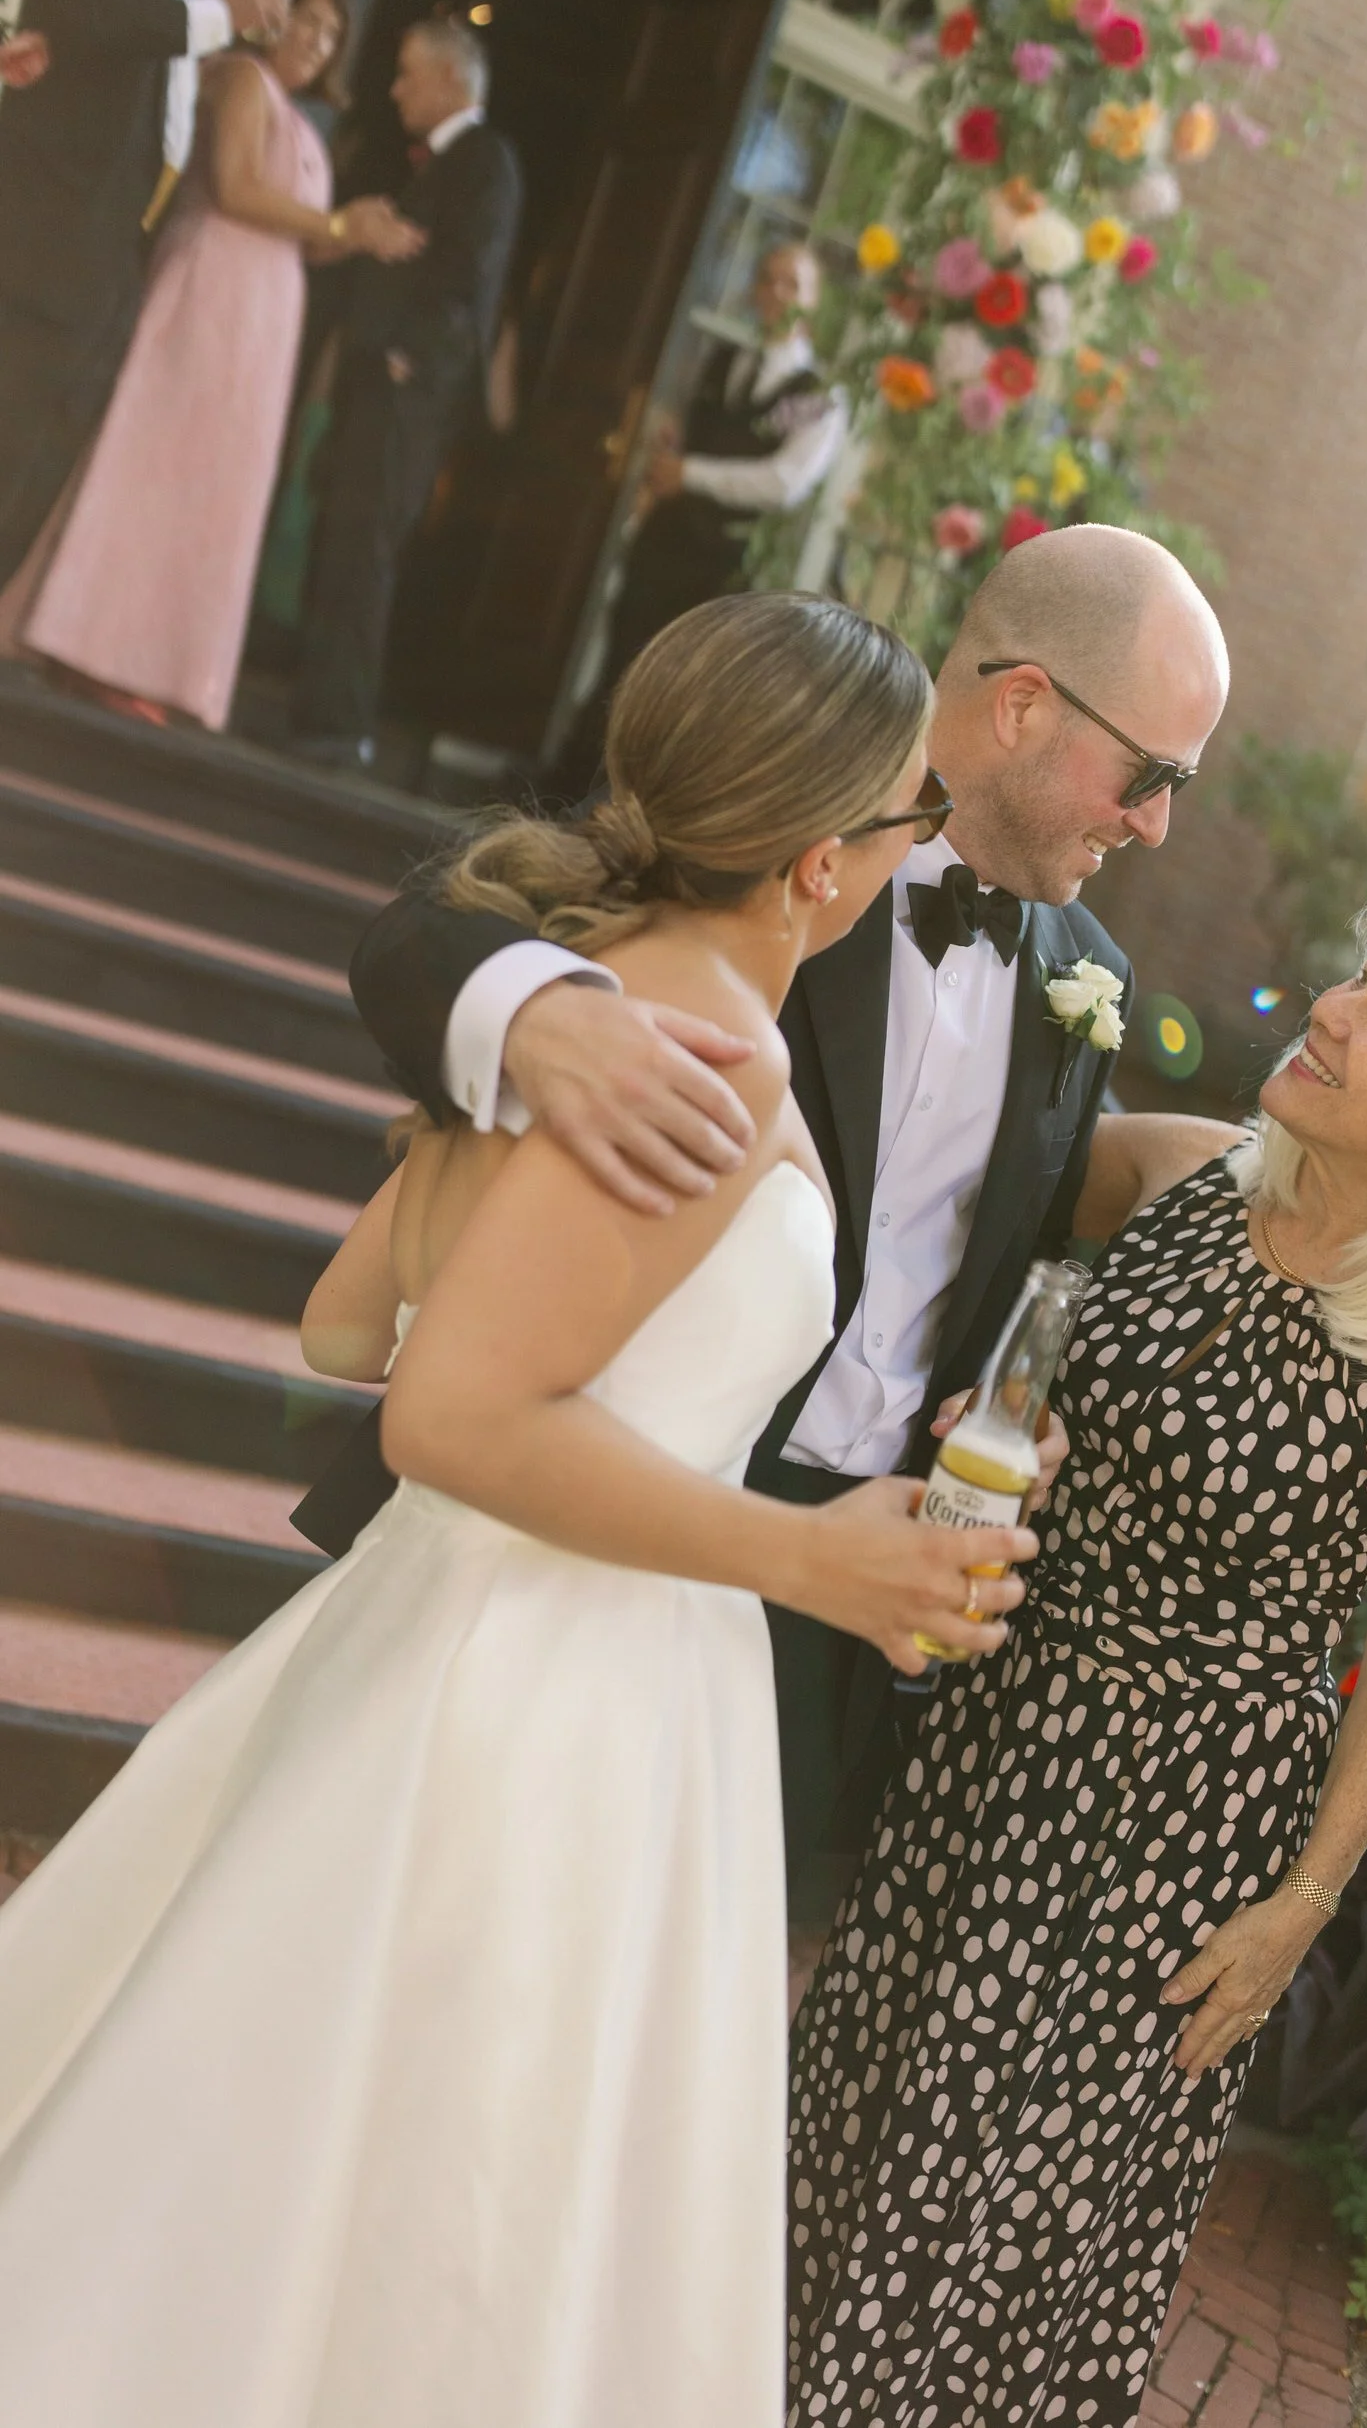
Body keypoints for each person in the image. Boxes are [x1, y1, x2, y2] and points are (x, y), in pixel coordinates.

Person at [0, 593, 1037, 2428]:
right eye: (909, 823)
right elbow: (454, 1413)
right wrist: (809, 1553)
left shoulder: (580, 989)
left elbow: (342, 1320)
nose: (913, 855)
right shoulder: (704, 1053)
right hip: (546, 1689)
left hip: (461, 1636)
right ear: (819, 862)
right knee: (444, 2194)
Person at [785, 884, 1367, 2427]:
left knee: (994, 2214)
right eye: (1357, 982)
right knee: (860, 2115)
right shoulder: (1183, 1174)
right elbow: (974, 1248)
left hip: (1165, 1842)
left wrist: (1296, 1908)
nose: (1328, 1009)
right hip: (994, 1731)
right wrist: (998, 1415)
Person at [294, 525, 1230, 1917]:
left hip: (840, 1590)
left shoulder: (1084, 978)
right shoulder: (755, 863)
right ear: (1024, 704)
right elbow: (431, 931)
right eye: (1150, 774)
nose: (1154, 822)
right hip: (606, 1494)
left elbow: (984, 1232)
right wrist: (538, 1016)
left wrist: (1002, 1406)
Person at [0, 0, 424, 732]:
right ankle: (91, 645)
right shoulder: (241, 78)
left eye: (332, 35)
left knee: (208, 489)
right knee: (157, 466)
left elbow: (300, 235)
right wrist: (337, 224)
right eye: (308, 22)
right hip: (209, 294)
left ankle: (150, 661)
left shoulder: (301, 119)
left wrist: (356, 235)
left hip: (259, 321)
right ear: (274, 15)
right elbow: (233, 189)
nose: (316, 42)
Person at [0, 0, 292, 592]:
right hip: (38, 254)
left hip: (107, 269)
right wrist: (224, 17)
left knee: (32, 483)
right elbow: (94, 15)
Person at [290, 17, 523, 771]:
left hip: (407, 395)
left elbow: (470, 280)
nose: (393, 89)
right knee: (343, 539)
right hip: (375, 385)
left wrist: (408, 359)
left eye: (407, 74)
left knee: (366, 551)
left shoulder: (486, 162)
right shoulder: (433, 163)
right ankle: (317, 711)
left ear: (451, 81)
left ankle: (339, 725)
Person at [549, 240, 848, 805]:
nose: (777, 293)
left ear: (813, 302)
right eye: (769, 279)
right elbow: (693, 436)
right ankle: (569, 787)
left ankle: (626, 811)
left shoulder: (816, 398)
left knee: (677, 693)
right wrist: (673, 449)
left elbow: (782, 482)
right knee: (621, 666)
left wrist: (690, 472)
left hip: (723, 566)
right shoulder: (724, 363)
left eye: (793, 284)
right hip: (664, 545)